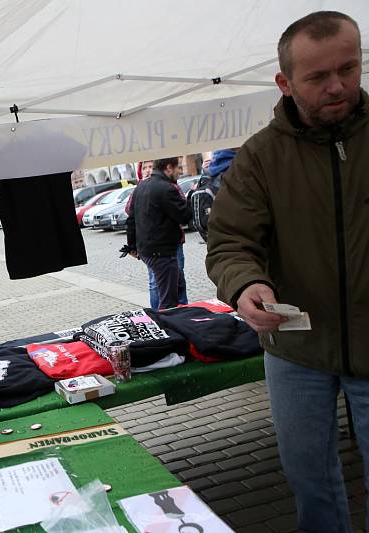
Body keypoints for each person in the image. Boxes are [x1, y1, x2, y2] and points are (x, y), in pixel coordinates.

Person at [206, 11, 368, 533]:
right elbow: (230, 241)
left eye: (349, 67)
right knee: (310, 481)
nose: (337, 86)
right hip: (296, 351)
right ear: (284, 82)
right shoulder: (258, 157)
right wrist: (246, 284)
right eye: (317, 77)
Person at [126, 157, 191, 310]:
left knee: (176, 287)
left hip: (148, 250)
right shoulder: (166, 188)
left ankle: (182, 319)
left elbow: (131, 219)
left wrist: (132, 246)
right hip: (161, 252)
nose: (180, 171)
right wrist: (192, 195)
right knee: (168, 300)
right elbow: (185, 216)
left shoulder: (140, 187)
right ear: (169, 167)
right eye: (178, 167)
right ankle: (166, 326)